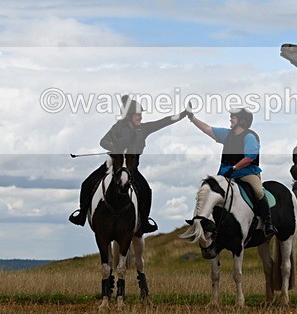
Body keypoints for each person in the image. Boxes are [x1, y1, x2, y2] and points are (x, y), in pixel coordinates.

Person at [69, 95, 188, 234]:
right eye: (138, 115)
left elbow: (164, 121)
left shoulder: (144, 129)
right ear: (129, 116)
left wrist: (184, 114)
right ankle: (82, 214)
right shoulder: (118, 127)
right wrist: (115, 146)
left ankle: (144, 221)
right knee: (86, 183)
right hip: (113, 166)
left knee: (146, 190)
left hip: (132, 169)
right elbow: (103, 142)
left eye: (141, 114)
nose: (141, 117)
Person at [187, 107, 276, 236]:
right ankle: (203, 221)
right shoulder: (227, 134)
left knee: (258, 191)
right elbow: (207, 129)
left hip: (246, 173)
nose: (230, 119)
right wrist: (192, 118)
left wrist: (234, 168)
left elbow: (249, 158)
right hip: (226, 173)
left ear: (242, 121)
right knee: (208, 190)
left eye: (233, 117)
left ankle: (268, 221)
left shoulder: (250, 137)